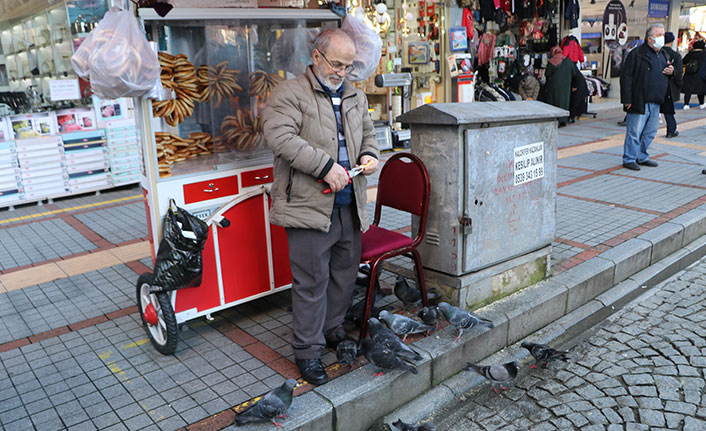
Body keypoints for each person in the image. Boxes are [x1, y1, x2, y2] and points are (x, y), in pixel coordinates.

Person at [262, 29, 379, 385]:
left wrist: (370, 155)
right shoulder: (289, 93)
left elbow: (370, 134)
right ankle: (308, 351)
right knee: (311, 282)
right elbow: (280, 137)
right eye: (336, 63)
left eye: (348, 65)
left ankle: (330, 330)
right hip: (309, 206)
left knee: (344, 275)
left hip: (349, 204)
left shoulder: (355, 96)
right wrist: (326, 167)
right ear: (316, 57)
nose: (342, 72)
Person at [620, 23, 674, 171]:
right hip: (639, 99)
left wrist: (672, 72)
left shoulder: (663, 54)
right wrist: (627, 99)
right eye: (659, 35)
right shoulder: (637, 54)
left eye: (663, 34)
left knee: (650, 132)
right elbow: (626, 77)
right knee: (634, 132)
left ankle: (642, 156)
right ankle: (629, 158)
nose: (662, 38)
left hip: (656, 100)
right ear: (650, 39)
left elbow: (670, 75)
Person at [545, 45, 578, 127]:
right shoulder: (568, 61)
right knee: (564, 102)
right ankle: (563, 120)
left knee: (554, 103)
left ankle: (556, 120)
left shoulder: (551, 62)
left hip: (554, 87)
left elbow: (547, 74)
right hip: (566, 87)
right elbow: (574, 74)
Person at [661, 32, 683, 138]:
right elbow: (679, 75)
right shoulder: (676, 56)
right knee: (668, 110)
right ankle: (671, 130)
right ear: (672, 41)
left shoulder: (657, 53)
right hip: (670, 88)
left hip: (655, 86)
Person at [681, 40, 706, 110]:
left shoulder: (690, 53)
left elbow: (683, 61)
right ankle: (701, 103)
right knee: (701, 90)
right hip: (700, 74)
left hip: (689, 74)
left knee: (688, 90)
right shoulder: (704, 54)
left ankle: (686, 104)